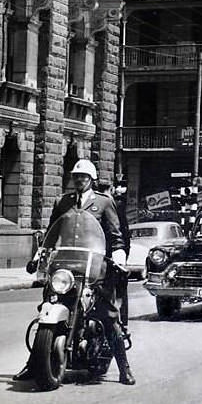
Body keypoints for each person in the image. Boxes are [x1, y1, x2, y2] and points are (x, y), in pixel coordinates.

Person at [15, 159, 135, 385]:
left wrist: (118, 259)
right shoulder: (63, 201)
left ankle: (124, 368)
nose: (79, 180)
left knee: (108, 316)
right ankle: (34, 364)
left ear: (92, 180)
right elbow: (52, 232)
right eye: (76, 176)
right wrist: (37, 257)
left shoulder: (104, 203)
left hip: (94, 267)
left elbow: (116, 236)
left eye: (84, 177)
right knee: (47, 307)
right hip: (65, 266)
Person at [111, 177, 131, 328]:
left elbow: (123, 232)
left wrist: (121, 254)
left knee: (119, 289)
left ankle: (121, 326)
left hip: (111, 254)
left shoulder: (117, 206)